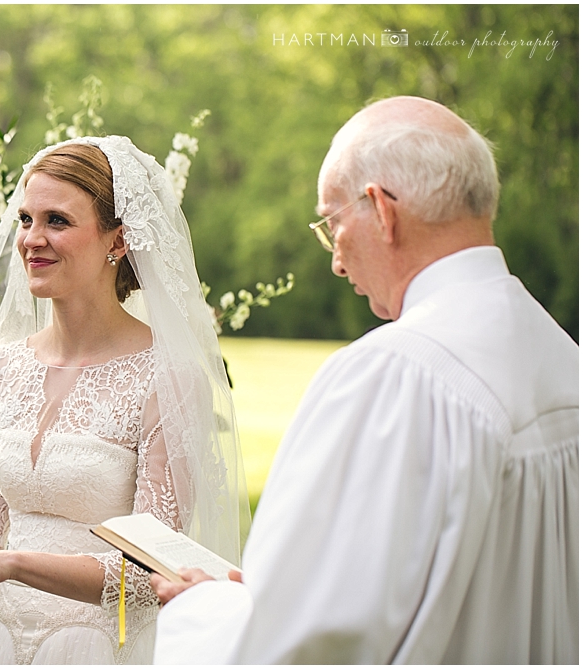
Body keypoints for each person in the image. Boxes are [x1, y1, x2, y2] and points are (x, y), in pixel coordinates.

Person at [151, 95, 579, 664]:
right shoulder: (562, 357)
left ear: (381, 209)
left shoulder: (397, 375)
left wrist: (202, 609)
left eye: (331, 224)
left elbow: (308, 643)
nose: (335, 260)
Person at [0, 136, 248, 663]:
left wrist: (11, 564)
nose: (32, 239)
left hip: (98, 647)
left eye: (58, 221)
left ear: (117, 240)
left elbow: (148, 573)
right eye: (26, 219)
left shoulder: (168, 377)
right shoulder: (3, 368)